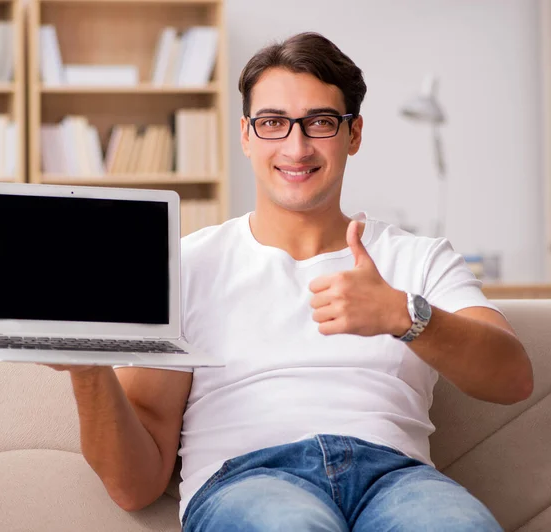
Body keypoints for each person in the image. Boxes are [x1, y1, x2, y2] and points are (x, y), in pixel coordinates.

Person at [47, 32, 533, 531]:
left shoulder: (418, 258)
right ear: (246, 135)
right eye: (273, 123)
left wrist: (403, 316)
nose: (296, 148)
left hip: (397, 481)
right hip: (249, 480)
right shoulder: (184, 266)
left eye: (320, 123)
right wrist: (88, 371)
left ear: (354, 134)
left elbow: (513, 379)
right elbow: (135, 484)